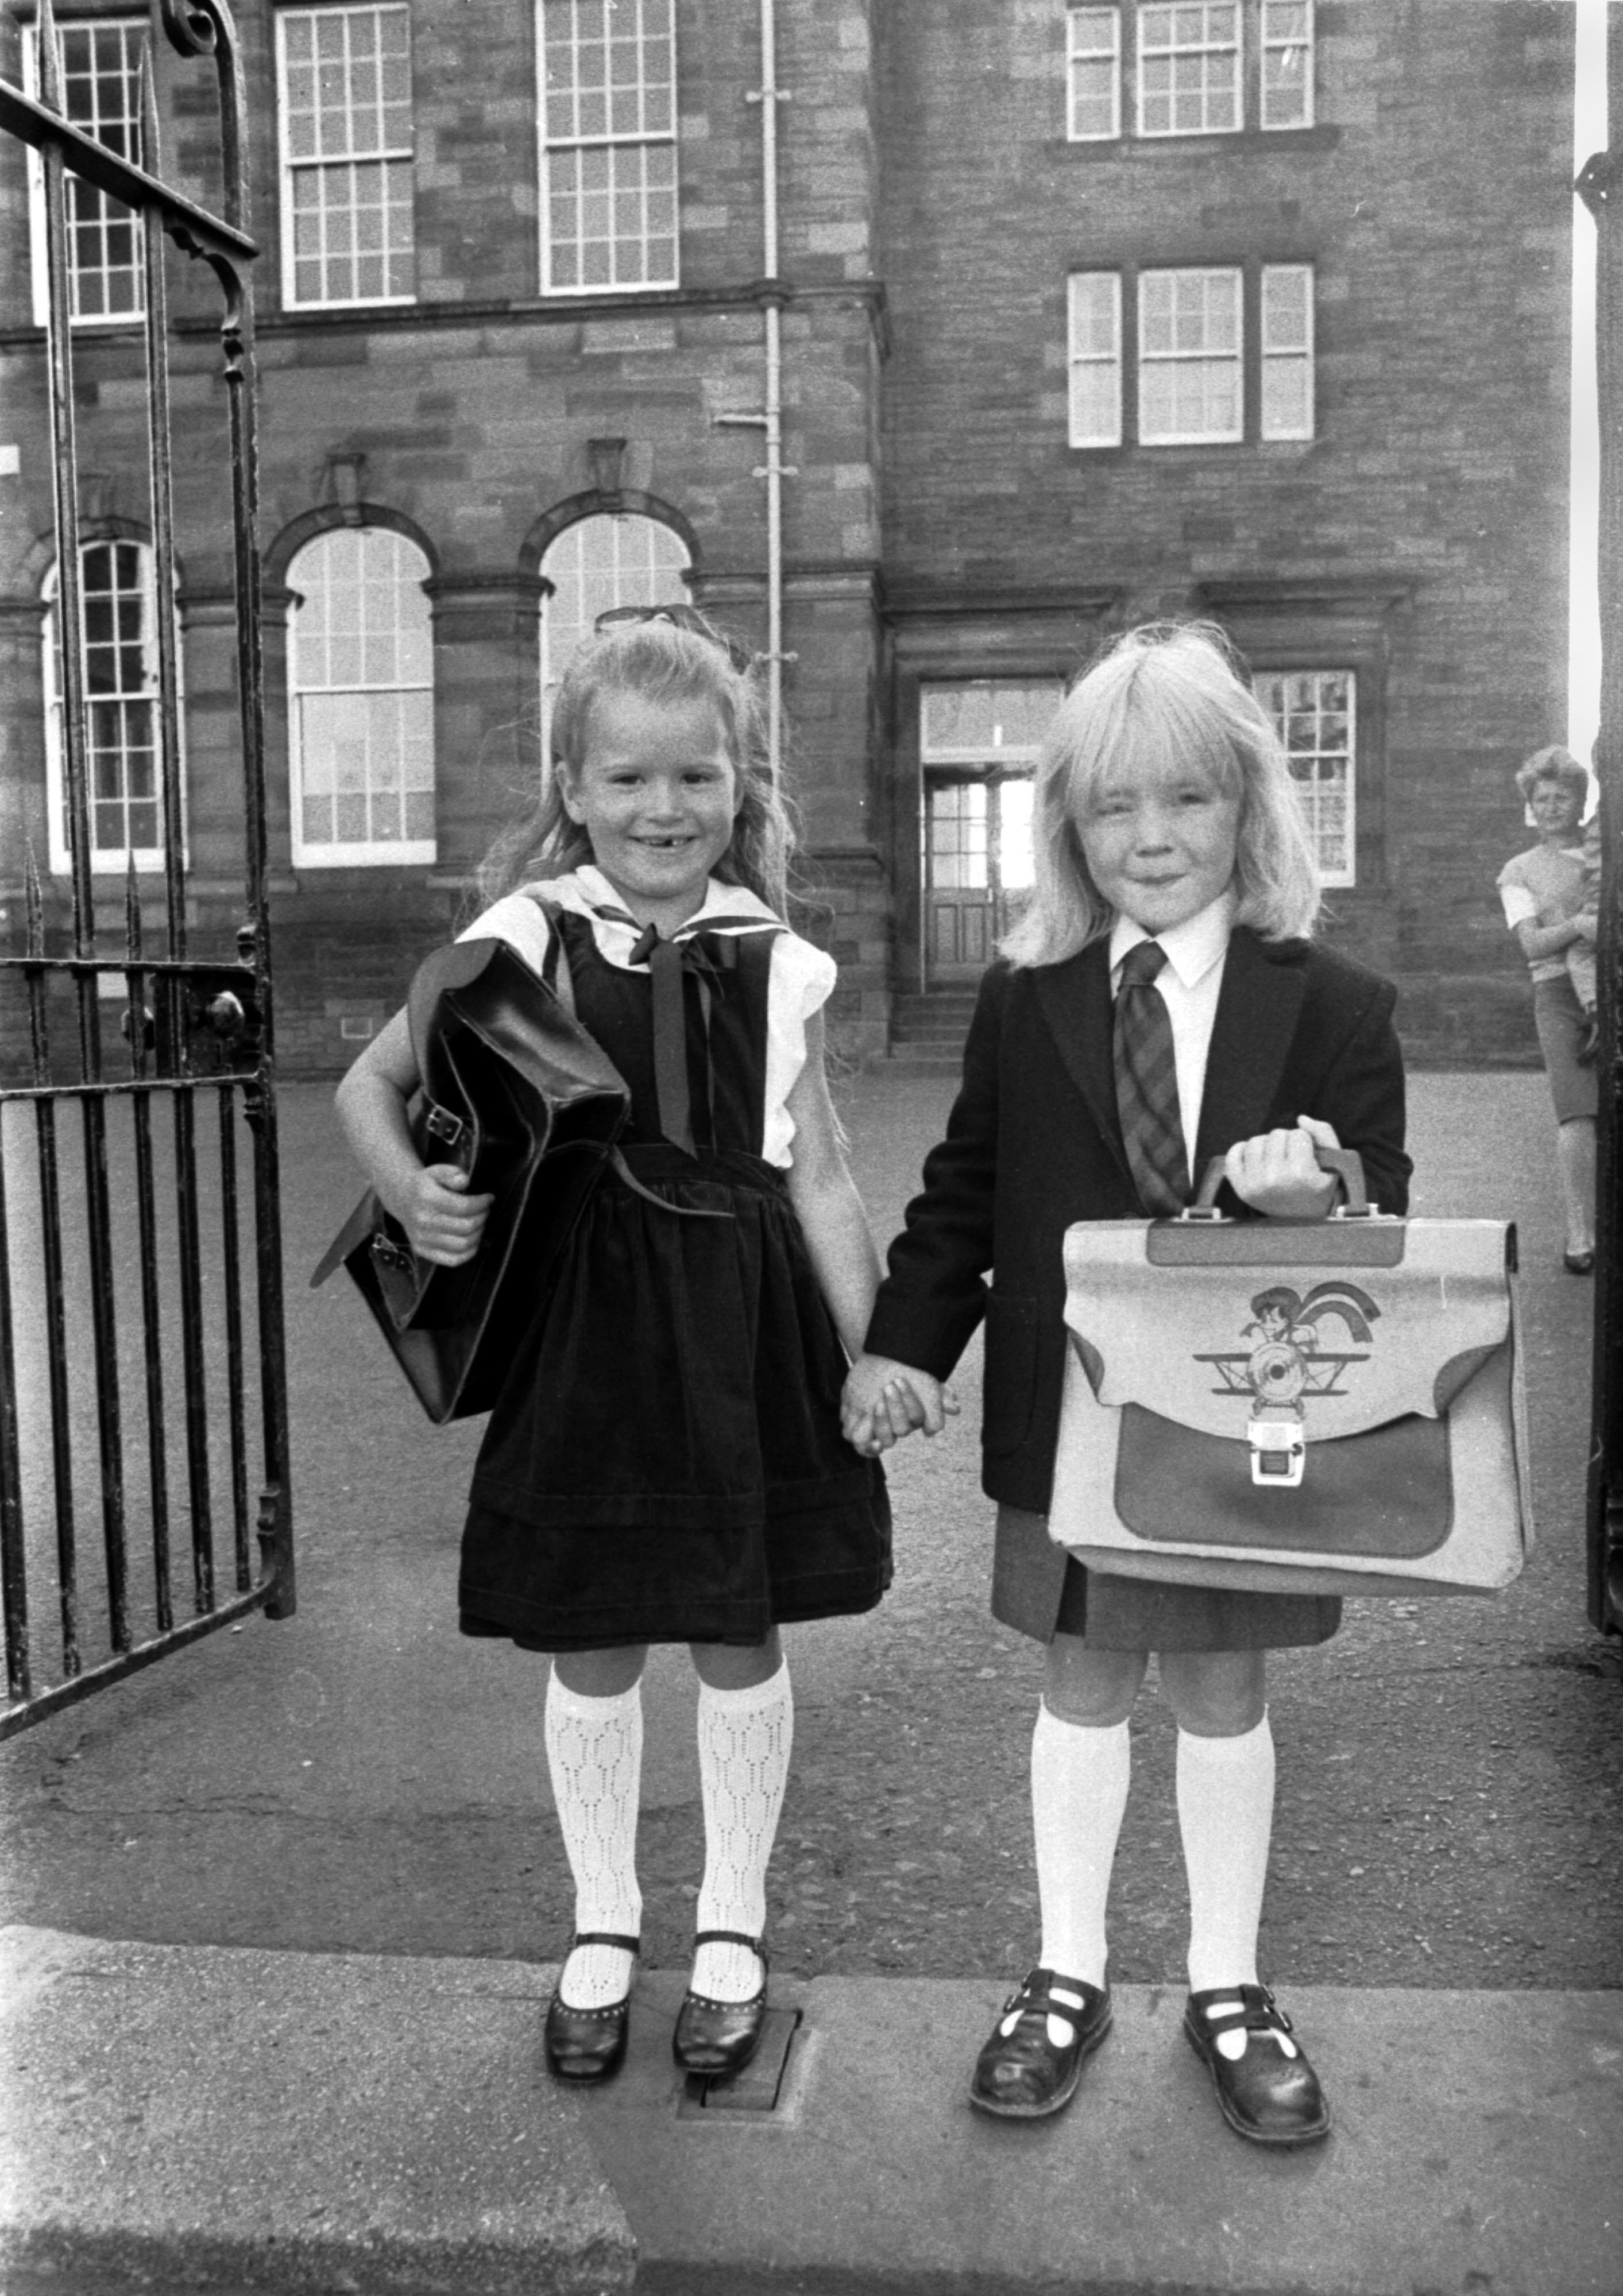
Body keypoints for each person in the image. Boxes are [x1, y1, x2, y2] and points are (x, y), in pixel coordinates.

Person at [841, 622, 1409, 2147]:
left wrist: (1321, 1189)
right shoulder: (1026, 996)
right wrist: (902, 1341)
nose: (1151, 837)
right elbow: (966, 1188)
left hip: (1244, 1407)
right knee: (1081, 1679)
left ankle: (1228, 1981)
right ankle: (1068, 1969)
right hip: (1073, 1405)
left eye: (1187, 799)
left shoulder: (1335, 1001)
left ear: (1249, 805)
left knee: (1223, 1685)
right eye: (1113, 806)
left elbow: (1384, 1201)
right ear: (1069, 827)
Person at [336, 606, 891, 2087]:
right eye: (629, 778)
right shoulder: (526, 936)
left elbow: (823, 1177)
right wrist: (412, 1192)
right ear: (573, 790)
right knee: (593, 1630)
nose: (664, 807)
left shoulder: (781, 960)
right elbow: (367, 1087)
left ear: (738, 786)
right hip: (588, 1327)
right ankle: (602, 1917)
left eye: (697, 776)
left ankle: (731, 1918)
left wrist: (878, 1350)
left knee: (737, 1624)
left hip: (744, 1329)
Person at [1496, 746, 1597, 1272]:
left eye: (1562, 797)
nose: (1552, 807)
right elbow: (1532, 944)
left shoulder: (1607, 855)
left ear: (1581, 802)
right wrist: (1580, 926)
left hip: (1611, 986)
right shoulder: (1519, 871)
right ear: (1530, 806)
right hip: (1558, 995)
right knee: (1577, 1110)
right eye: (1543, 799)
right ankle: (1581, 1235)